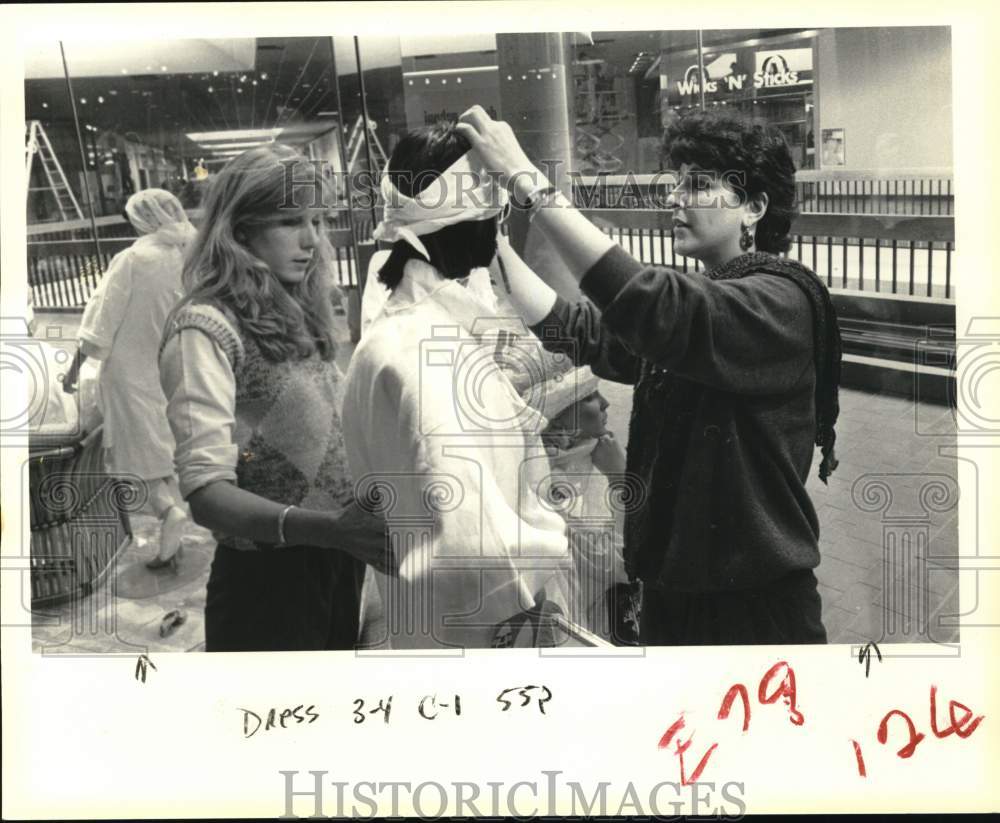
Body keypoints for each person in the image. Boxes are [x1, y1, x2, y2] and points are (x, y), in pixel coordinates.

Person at [455, 107, 841, 646]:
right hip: (675, 597)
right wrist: (490, 246)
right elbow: (590, 334)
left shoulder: (782, 302)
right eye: (677, 183)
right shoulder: (714, 301)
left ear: (755, 207)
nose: (676, 198)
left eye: (701, 185)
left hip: (753, 612)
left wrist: (526, 180)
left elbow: (653, 305)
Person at [341, 123, 576, 650]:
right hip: (482, 626)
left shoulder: (413, 328)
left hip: (428, 614)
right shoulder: (421, 350)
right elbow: (472, 539)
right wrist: (528, 608)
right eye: (492, 213)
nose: (500, 227)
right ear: (465, 221)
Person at [157, 145, 391, 652]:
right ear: (239, 230)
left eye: (318, 220)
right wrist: (330, 530)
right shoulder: (204, 327)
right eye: (289, 221)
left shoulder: (296, 307)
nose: (311, 239)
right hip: (267, 581)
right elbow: (206, 494)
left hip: (337, 558)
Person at [63, 188, 197, 569]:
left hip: (128, 371)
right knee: (161, 444)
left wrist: (72, 371)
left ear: (141, 218)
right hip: (169, 365)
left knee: (137, 450)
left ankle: (168, 514)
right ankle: (175, 526)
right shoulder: (186, 255)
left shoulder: (132, 259)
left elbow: (100, 324)